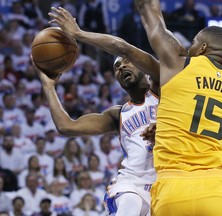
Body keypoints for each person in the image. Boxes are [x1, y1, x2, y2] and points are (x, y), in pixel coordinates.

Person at [37, 6, 160, 216]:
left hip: (165, 186)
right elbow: (67, 127)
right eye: (117, 67)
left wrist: (78, 34)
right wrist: (48, 86)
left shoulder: (162, 87)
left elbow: (123, 47)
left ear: (144, 68)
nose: (121, 67)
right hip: (130, 186)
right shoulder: (117, 114)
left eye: (127, 62)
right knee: (130, 204)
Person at [134, 0, 222, 215]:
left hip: (174, 187)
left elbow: (149, 13)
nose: (190, 47)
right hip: (219, 191)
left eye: (194, 43)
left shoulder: (181, 64)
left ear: (203, 48)